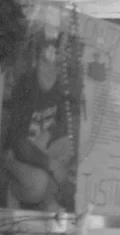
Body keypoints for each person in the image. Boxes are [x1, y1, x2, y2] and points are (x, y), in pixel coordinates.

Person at [1, 21, 76, 212]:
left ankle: (48, 201)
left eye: (56, 64)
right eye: (45, 61)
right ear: (38, 61)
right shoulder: (25, 85)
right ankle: (13, 190)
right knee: (38, 185)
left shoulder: (59, 87)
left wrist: (49, 133)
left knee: (67, 145)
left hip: (38, 147)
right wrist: (50, 165)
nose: (50, 69)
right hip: (16, 155)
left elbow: (63, 121)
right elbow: (17, 144)